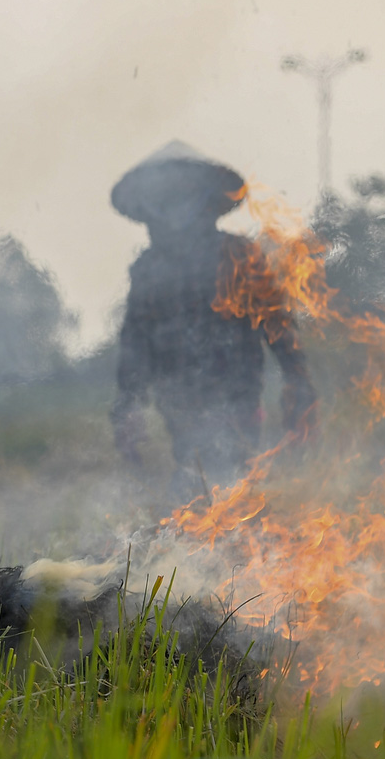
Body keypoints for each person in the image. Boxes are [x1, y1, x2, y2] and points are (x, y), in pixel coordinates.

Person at [110, 142, 315, 499]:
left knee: (228, 472)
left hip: (236, 391)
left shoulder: (237, 254)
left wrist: (298, 381)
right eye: (164, 201)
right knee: (196, 470)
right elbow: (135, 342)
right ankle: (202, 539)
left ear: (203, 202)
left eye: (181, 199)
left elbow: (277, 323)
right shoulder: (148, 270)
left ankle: (227, 539)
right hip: (178, 398)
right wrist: (128, 404)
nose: (173, 211)